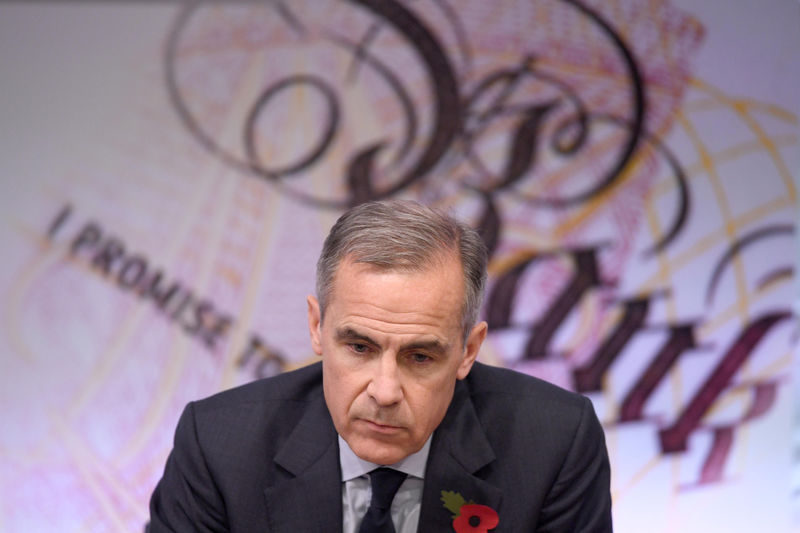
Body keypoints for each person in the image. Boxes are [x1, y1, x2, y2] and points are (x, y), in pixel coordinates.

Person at [147, 200, 612, 532]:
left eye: (421, 357)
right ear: (316, 326)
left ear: (468, 351)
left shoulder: (554, 443)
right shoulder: (219, 445)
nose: (385, 392)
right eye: (359, 348)